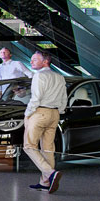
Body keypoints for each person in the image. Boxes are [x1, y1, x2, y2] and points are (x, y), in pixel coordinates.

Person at [24, 51, 68, 192]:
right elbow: (64, 98)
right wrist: (58, 111)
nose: (31, 62)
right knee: (48, 148)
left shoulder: (39, 76)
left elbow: (35, 98)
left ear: (45, 62)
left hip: (40, 112)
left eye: (35, 59)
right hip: (54, 113)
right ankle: (45, 183)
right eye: (31, 59)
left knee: (29, 146)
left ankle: (50, 173)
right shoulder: (59, 76)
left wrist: (28, 114)